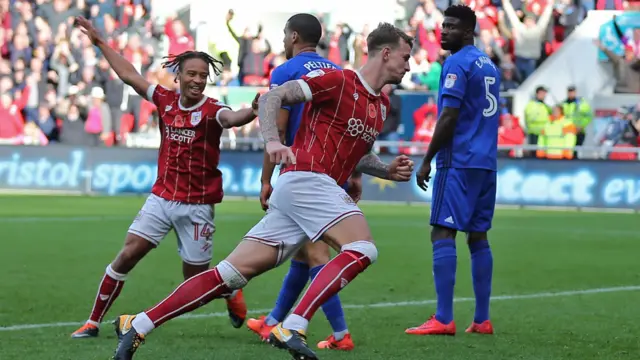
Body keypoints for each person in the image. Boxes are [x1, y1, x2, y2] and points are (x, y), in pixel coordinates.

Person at [110, 22, 414, 360]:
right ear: (385, 53)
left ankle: (139, 324)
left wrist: (385, 170)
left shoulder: (380, 105)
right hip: (307, 178)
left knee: (229, 276)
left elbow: (355, 154)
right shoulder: (339, 80)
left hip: (303, 190)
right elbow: (273, 97)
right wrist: (271, 141)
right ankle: (293, 325)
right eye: (405, 56)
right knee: (362, 247)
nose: (409, 64)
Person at [70, 17, 257, 339]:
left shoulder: (213, 110)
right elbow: (129, 75)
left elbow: (233, 117)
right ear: (179, 76)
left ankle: (228, 292)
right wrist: (100, 43)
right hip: (161, 198)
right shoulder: (164, 99)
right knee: (127, 254)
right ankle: (92, 322)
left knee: (195, 278)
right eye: (192, 74)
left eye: (203, 75)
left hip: (197, 206)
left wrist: (252, 110)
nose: (198, 80)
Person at [248, 13, 357, 351]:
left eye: (284, 34)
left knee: (315, 253)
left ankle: (341, 335)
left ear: (294, 37)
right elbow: (349, 130)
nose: (282, 40)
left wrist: (266, 179)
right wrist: (354, 175)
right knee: (300, 253)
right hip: (333, 169)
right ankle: (271, 322)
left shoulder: (285, 71)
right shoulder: (339, 74)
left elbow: (277, 129)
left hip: (301, 171)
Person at [410, 4, 499, 336]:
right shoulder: (488, 64)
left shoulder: (457, 64)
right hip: (486, 162)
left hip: (459, 160)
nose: (443, 31)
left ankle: (444, 317)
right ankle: (482, 318)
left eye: (450, 27)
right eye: (442, 26)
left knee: (442, 232)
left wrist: (426, 159)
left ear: (467, 31)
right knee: (478, 236)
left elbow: (448, 116)